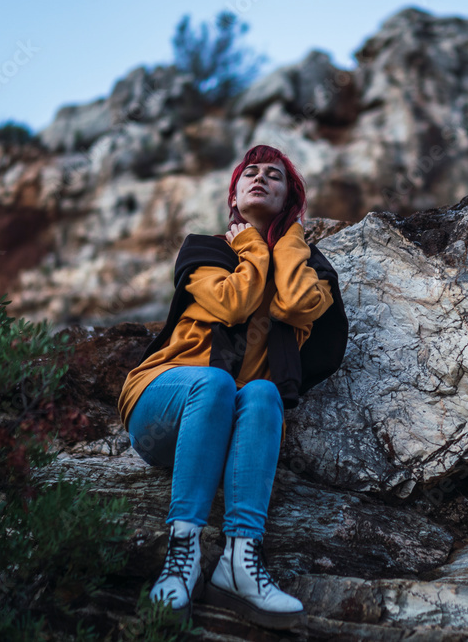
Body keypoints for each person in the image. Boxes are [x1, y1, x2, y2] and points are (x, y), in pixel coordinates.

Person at [117, 144, 347, 629]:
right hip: (163, 407)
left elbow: (294, 304)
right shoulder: (205, 249)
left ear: (291, 200)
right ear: (234, 195)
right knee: (216, 382)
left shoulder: (314, 270)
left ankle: (240, 563)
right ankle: (181, 560)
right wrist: (253, 249)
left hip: (231, 422)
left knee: (264, 393)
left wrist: (287, 241)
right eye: (250, 173)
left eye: (274, 176)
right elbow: (231, 304)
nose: (260, 178)